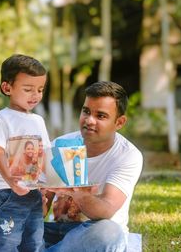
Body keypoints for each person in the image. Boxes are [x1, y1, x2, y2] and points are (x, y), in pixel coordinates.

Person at [43, 81, 143, 252]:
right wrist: (33, 199)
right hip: (56, 231)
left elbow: (105, 210)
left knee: (109, 233)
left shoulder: (127, 155)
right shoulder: (60, 144)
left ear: (119, 122)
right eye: (86, 111)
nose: (89, 120)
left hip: (94, 232)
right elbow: (41, 209)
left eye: (101, 116)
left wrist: (75, 189)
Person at [0, 54, 51, 252]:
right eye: (28, 89)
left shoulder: (38, 121)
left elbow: (45, 154)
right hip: (7, 191)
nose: (35, 95)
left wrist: (49, 184)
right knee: (8, 240)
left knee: (34, 240)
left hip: (33, 190)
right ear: (7, 88)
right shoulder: (2, 118)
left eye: (40, 90)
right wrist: (10, 180)